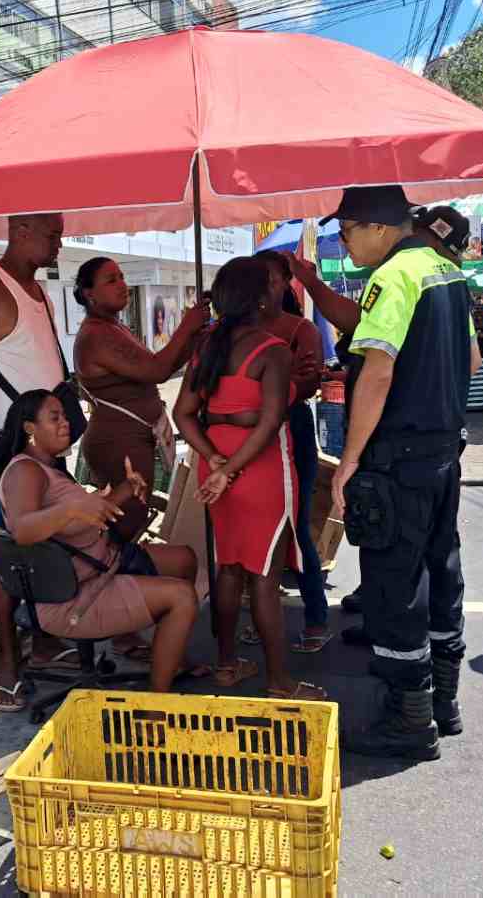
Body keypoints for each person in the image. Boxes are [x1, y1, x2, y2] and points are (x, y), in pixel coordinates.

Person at [309, 185, 481, 761]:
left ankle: (410, 719)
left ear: (379, 228)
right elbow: (473, 360)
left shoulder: (395, 275)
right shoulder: (445, 270)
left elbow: (377, 371)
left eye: (347, 231)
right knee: (440, 567)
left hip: (397, 458)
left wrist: (350, 459)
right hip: (441, 451)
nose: (344, 241)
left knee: (395, 582)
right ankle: (443, 702)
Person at [173, 257, 326, 701]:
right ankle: (279, 681)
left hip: (217, 462)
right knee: (264, 576)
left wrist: (216, 463)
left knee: (229, 568)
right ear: (262, 297)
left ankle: (226, 664)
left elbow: (183, 414)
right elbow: (271, 420)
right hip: (258, 469)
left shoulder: (208, 347)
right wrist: (233, 467)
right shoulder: (272, 348)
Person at [0, 390, 199, 702]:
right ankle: (157, 705)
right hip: (75, 594)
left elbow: (88, 514)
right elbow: (22, 530)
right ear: (29, 429)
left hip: (102, 564)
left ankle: (171, 654)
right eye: (55, 417)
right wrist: (69, 511)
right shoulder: (25, 471)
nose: (66, 424)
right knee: (183, 597)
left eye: (64, 416)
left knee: (184, 559)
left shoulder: (47, 467)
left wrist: (127, 489)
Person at [0, 212, 76, 712]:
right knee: (9, 562)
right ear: (20, 232)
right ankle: (8, 662)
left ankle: (42, 640)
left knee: (48, 550)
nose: (59, 244)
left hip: (45, 451)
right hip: (8, 455)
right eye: (52, 235)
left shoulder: (38, 291)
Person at [74, 256, 209, 542]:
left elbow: (164, 364)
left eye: (122, 277)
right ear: (89, 294)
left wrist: (195, 338)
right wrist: (187, 326)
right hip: (118, 441)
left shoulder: (115, 328)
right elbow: (158, 370)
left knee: (133, 518)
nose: (122, 285)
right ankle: (117, 583)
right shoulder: (96, 334)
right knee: (127, 524)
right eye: (111, 280)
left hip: (134, 437)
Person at [254, 249, 329, 650]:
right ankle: (259, 614)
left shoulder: (302, 330)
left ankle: (317, 615)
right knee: (253, 528)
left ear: (285, 282)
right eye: (256, 278)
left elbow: (310, 382)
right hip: (247, 436)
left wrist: (263, 403)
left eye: (271, 277)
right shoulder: (234, 329)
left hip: (290, 432)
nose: (264, 286)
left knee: (296, 526)